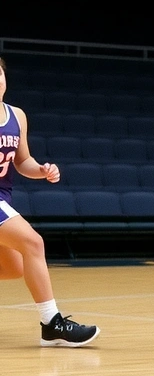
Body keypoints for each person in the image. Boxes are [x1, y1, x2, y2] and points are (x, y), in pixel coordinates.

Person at [0, 56, 101, 346]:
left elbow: (23, 161)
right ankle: (51, 323)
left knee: (13, 268)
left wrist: (42, 170)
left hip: (3, 197)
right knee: (33, 243)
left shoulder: (17, 116)